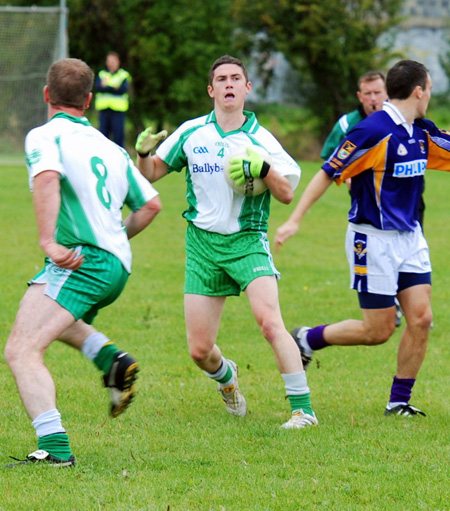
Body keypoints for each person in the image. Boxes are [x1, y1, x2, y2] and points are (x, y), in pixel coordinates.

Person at [135, 55, 317, 429]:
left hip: (247, 241)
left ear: (247, 88)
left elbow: (285, 193)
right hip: (202, 246)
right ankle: (227, 378)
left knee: (270, 323)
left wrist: (263, 167)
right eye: (222, 79)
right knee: (200, 350)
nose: (229, 84)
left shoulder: (262, 140)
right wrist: (143, 154)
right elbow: (152, 173)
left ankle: (303, 411)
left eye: (236, 78)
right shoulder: (191, 133)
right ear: (211, 89)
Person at [5, 58, 161, 467]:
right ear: (89, 100)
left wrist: (48, 241)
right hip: (115, 265)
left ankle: (55, 449)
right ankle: (112, 361)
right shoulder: (111, 148)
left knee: (21, 350)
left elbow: (47, 179)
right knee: (45, 315)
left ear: (45, 95)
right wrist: (114, 239)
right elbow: (150, 205)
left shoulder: (45, 135)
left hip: (81, 260)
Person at [275, 59, 450, 418]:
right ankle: (308, 338)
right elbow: (328, 172)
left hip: (410, 237)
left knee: (420, 317)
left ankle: (398, 402)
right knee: (378, 330)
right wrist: (294, 220)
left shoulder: (420, 130)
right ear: (419, 91)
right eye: (429, 89)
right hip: (372, 241)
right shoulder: (374, 132)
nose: (429, 95)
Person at [321, 71, 387, 161]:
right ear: (360, 96)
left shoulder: (397, 121)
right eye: (368, 93)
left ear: (387, 93)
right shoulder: (346, 124)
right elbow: (328, 157)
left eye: (377, 92)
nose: (373, 98)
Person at [95, 51, 132, 148]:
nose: (111, 63)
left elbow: (122, 89)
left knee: (118, 136)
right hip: (104, 110)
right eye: (109, 61)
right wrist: (113, 87)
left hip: (118, 110)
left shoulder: (123, 75)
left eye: (113, 61)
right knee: (103, 136)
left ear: (118, 62)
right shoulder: (102, 74)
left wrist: (106, 86)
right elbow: (98, 87)